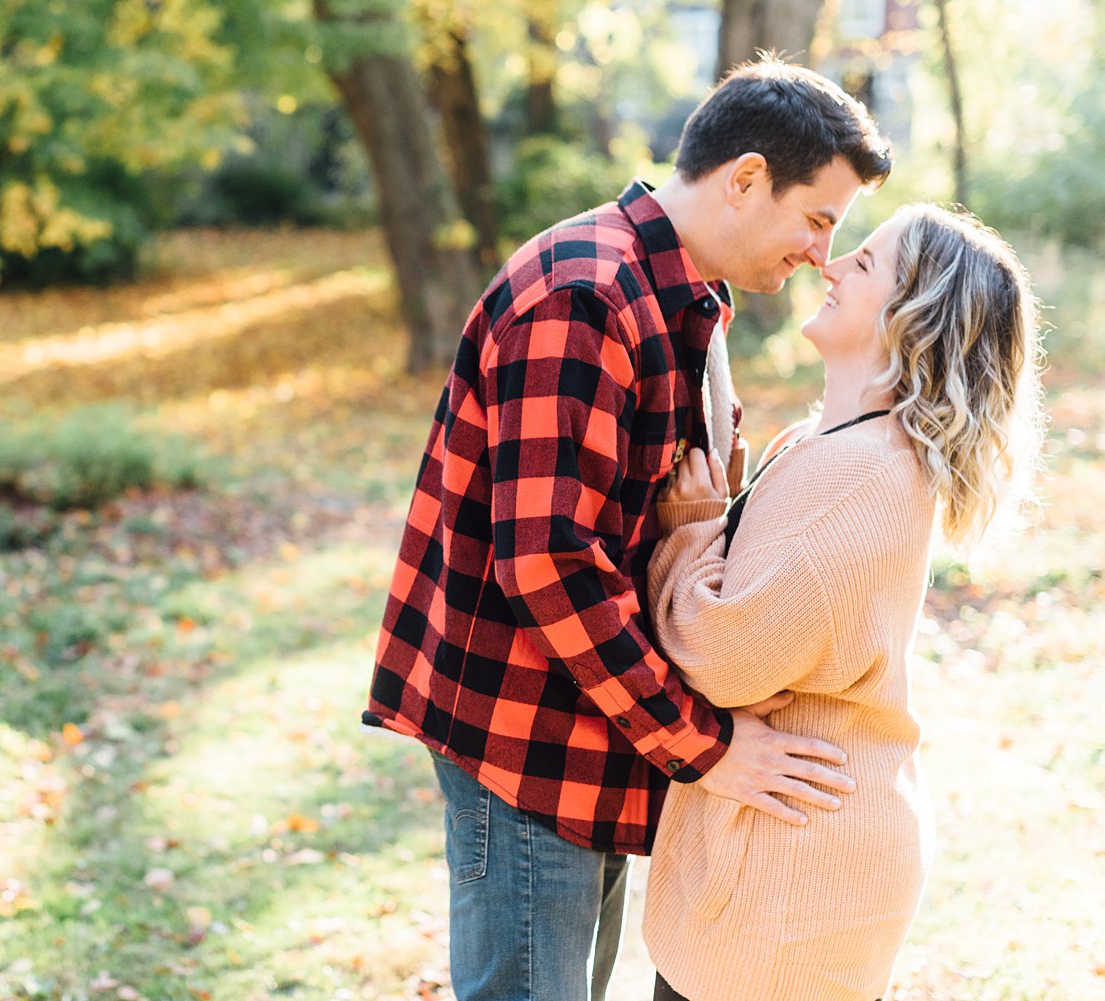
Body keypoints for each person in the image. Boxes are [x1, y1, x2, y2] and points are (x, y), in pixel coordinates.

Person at [361, 58, 891, 999]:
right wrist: (708, 748)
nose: (821, 254)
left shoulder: (687, 301)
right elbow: (549, 562)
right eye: (818, 219)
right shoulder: (587, 295)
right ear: (745, 179)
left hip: (597, 731)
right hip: (524, 736)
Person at [644, 203, 1044, 1001]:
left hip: (794, 880)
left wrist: (688, 533)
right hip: (796, 853)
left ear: (909, 320)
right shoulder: (833, 447)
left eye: (862, 264)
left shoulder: (859, 474)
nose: (828, 266)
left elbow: (723, 656)